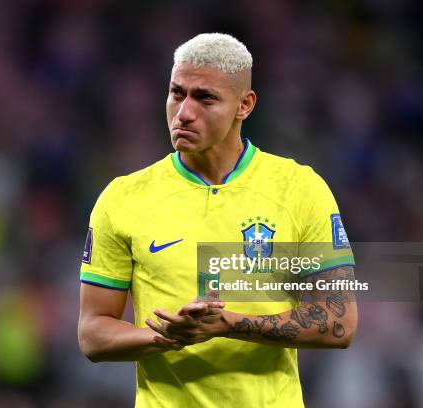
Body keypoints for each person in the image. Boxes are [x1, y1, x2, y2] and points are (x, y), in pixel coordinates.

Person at [78, 33, 358, 408]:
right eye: (177, 93)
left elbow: (339, 322)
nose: (184, 112)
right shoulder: (123, 199)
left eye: (205, 98)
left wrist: (229, 324)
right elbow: (93, 334)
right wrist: (168, 336)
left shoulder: (300, 190)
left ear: (245, 104)